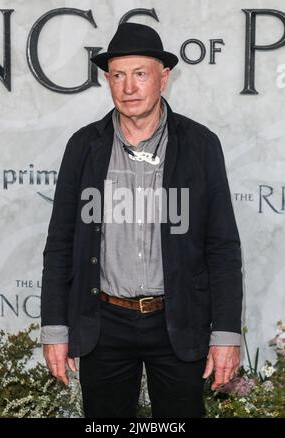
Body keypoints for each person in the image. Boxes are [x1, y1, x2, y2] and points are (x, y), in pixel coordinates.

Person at [40, 22, 243, 418]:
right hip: (104, 324)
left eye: (140, 74)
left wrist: (226, 334)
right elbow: (60, 243)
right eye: (118, 75)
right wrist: (54, 329)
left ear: (163, 78)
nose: (128, 87)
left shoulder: (201, 145)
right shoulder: (83, 146)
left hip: (178, 320)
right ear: (107, 80)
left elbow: (222, 246)